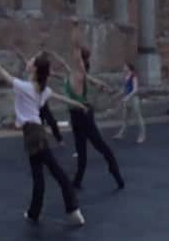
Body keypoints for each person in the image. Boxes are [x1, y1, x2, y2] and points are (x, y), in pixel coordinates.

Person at [0, 41, 86, 226]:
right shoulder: (42, 90)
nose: (29, 62)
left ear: (34, 68)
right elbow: (63, 98)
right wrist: (79, 104)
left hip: (32, 134)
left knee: (53, 173)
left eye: (31, 61)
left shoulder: (24, 87)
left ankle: (72, 210)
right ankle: (36, 212)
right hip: (36, 132)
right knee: (42, 174)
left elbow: (0, 70)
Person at [49, 23, 124, 192]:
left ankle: (116, 172)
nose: (73, 58)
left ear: (81, 62)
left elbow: (75, 47)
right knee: (80, 150)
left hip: (84, 115)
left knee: (100, 145)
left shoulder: (79, 74)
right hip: (75, 116)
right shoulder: (71, 75)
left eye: (77, 59)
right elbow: (69, 61)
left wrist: (75, 27)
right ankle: (77, 180)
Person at [14, 46, 63, 145]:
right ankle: (38, 139)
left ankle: (59, 139)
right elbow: (27, 62)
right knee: (37, 121)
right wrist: (20, 55)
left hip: (41, 98)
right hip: (33, 98)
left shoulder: (43, 69)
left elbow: (54, 74)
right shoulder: (33, 67)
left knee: (50, 120)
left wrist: (58, 75)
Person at [113, 62, 146, 144]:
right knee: (125, 118)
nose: (123, 68)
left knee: (138, 117)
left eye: (125, 66)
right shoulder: (126, 77)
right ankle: (121, 134)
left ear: (128, 68)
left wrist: (128, 97)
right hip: (126, 100)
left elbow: (135, 89)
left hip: (133, 99)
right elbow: (125, 89)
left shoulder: (133, 76)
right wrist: (117, 95)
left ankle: (142, 135)